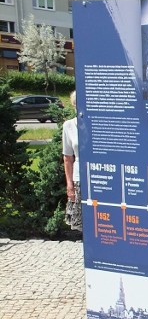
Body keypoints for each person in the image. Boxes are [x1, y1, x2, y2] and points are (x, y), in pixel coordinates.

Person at [63, 90, 81, 232]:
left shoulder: (98, 124)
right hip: (79, 178)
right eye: (77, 103)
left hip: (100, 177)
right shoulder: (68, 126)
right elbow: (68, 158)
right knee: (82, 222)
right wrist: (70, 184)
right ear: (73, 105)